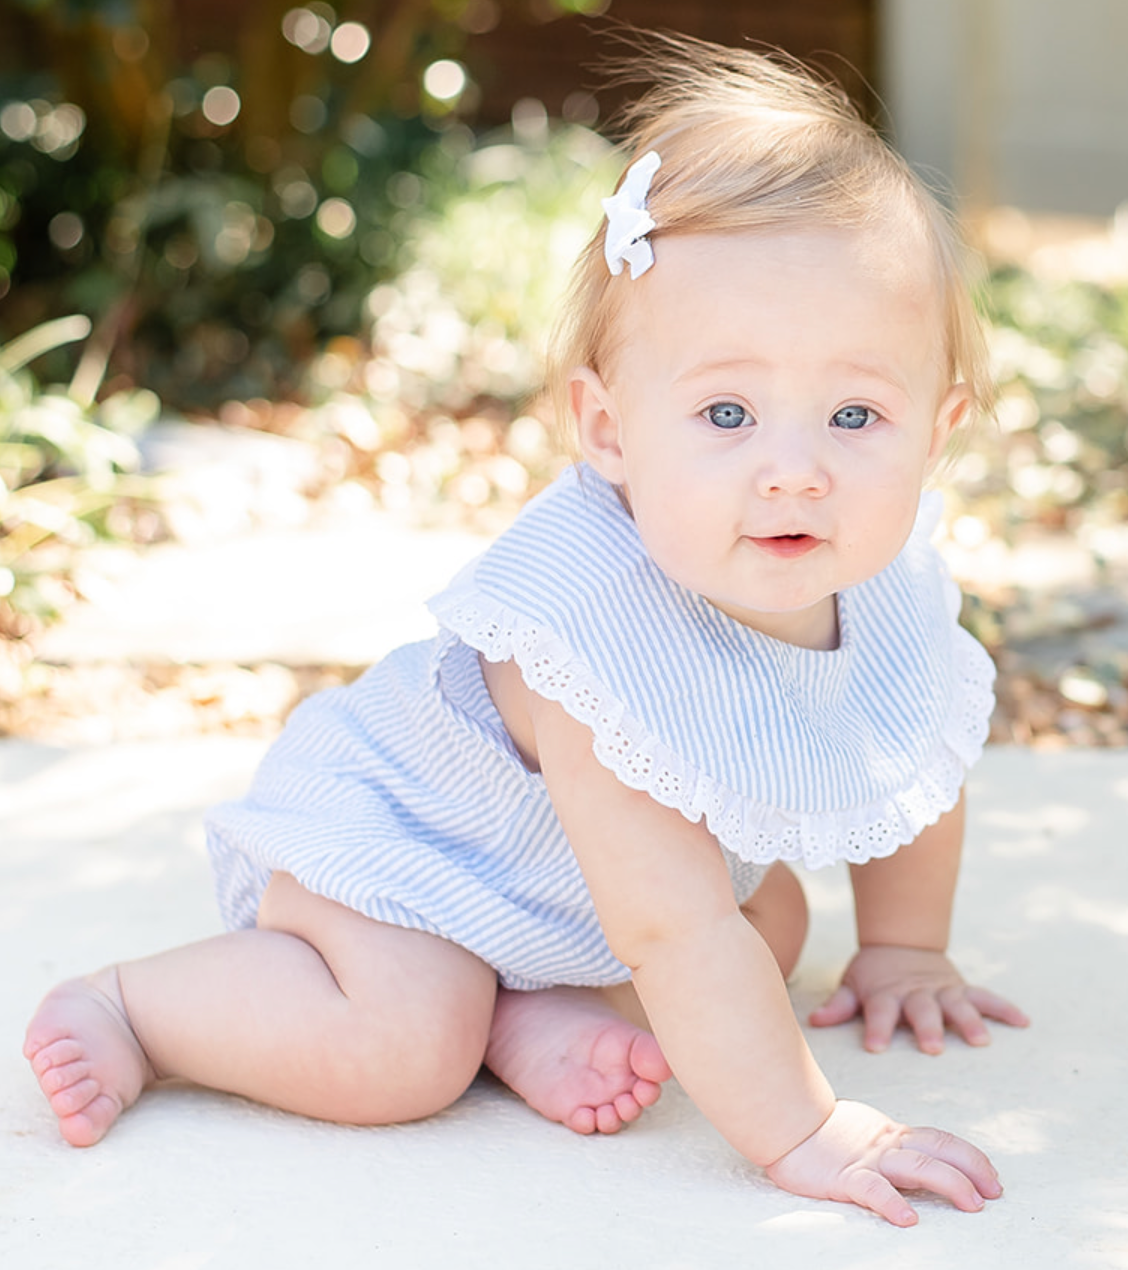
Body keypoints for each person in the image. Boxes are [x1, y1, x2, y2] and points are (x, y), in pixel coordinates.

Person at [25, 32, 1029, 1227]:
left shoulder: (885, 577)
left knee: (771, 925)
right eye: (726, 412)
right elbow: (670, 925)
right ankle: (135, 1008)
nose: (794, 470)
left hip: (575, 894)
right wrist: (807, 1128)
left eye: (855, 414)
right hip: (409, 860)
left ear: (937, 429)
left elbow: (907, 754)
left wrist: (904, 948)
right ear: (607, 429)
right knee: (408, 1044)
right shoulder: (595, 638)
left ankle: (530, 1006)